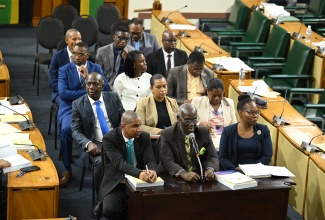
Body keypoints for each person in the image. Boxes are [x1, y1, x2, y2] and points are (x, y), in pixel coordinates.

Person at [58, 41, 110, 187]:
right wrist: (90, 91)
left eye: (80, 54)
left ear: (87, 55)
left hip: (94, 107)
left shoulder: (95, 68)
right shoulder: (64, 70)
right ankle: (67, 169)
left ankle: (100, 163)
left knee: (107, 126)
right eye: (74, 53)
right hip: (70, 108)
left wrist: (88, 78)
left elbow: (106, 89)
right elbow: (63, 94)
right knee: (66, 130)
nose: (76, 57)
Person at [71, 72, 124, 197]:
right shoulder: (78, 104)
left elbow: (123, 119)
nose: (91, 87)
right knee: (101, 163)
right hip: (96, 143)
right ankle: (101, 199)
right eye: (88, 84)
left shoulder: (113, 97)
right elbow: (75, 130)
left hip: (116, 139)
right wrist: (88, 143)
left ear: (102, 85)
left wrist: (120, 136)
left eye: (95, 84)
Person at [98, 110, 158, 220]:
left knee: (158, 205)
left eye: (140, 125)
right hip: (118, 181)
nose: (139, 129)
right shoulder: (110, 138)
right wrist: (139, 173)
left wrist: (153, 170)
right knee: (110, 210)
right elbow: (119, 163)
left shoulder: (144, 136)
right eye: (135, 126)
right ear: (123, 126)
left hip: (140, 182)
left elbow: (150, 160)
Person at [159, 103, 219, 182]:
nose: (191, 124)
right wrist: (183, 174)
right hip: (175, 178)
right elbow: (167, 160)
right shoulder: (167, 134)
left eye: (194, 119)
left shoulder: (204, 132)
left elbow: (213, 156)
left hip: (199, 177)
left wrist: (210, 169)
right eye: (187, 120)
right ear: (179, 118)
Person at [219, 94, 272, 171]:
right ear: (240, 113)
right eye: (251, 112)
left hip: (258, 172)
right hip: (235, 172)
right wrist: (235, 169)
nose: (255, 116)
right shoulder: (228, 131)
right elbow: (223, 157)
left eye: (257, 112)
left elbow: (267, 156)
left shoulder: (264, 130)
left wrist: (251, 169)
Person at [191, 78, 237, 149]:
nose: (217, 98)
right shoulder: (197, 102)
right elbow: (190, 120)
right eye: (213, 95)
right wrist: (199, 124)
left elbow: (234, 125)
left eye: (219, 95)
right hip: (205, 137)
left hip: (224, 138)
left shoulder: (229, 103)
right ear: (207, 92)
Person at [49, 29, 82, 106]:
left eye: (80, 39)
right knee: (65, 105)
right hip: (61, 92)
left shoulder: (85, 56)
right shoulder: (57, 57)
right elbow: (53, 82)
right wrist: (67, 91)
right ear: (67, 40)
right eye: (74, 39)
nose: (77, 42)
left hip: (79, 92)